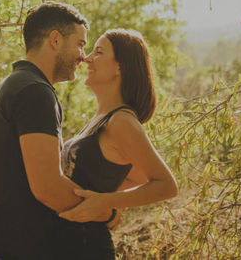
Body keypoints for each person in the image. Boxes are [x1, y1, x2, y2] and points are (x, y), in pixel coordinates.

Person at [0, 2, 116, 260]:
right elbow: (48, 187)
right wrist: (106, 212)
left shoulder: (12, 84)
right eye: (80, 44)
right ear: (55, 40)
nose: (83, 55)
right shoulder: (35, 92)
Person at [54, 28, 178, 259]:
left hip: (86, 245)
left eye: (98, 52)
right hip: (70, 243)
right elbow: (138, 176)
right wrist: (111, 200)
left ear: (120, 67)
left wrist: (107, 201)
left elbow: (166, 185)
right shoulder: (102, 118)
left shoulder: (121, 121)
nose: (86, 58)